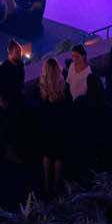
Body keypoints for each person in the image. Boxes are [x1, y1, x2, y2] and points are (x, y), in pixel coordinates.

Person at [35, 58, 71, 196]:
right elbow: (68, 106)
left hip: (46, 126)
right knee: (58, 156)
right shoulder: (64, 86)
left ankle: (46, 184)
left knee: (47, 154)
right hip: (59, 126)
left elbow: (38, 108)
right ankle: (56, 186)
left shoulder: (40, 88)